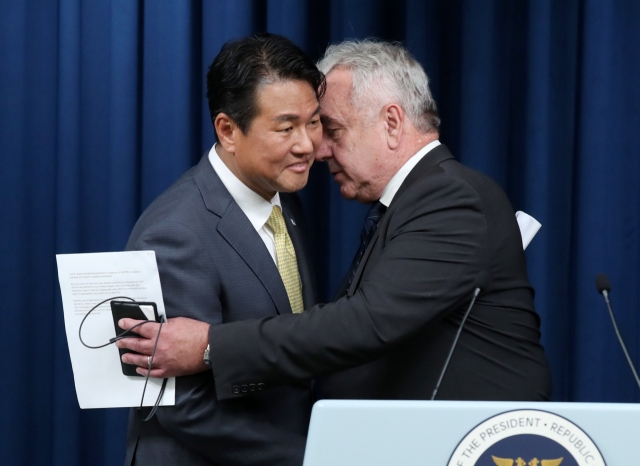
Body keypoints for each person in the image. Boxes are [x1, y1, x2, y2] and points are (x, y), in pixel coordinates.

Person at [119, 40, 551, 409]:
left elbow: (364, 323)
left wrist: (211, 346)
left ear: (393, 123)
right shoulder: (415, 197)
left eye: (329, 129)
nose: (316, 149)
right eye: (296, 126)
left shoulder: (449, 198)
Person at [119, 33, 325, 466]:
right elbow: (179, 404)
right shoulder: (176, 232)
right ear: (228, 130)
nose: (308, 144)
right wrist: (312, 456)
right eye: (286, 128)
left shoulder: (286, 199)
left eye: (313, 122)